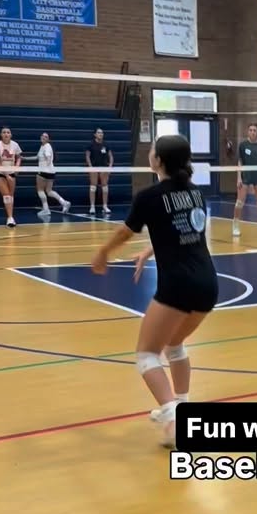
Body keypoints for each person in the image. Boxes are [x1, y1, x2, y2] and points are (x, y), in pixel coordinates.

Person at [91, 134, 219, 445]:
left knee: (147, 355)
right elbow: (189, 231)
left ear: (158, 161)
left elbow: (125, 232)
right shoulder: (195, 192)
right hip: (208, 285)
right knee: (174, 345)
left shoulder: (149, 197)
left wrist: (103, 252)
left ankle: (173, 419)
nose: (149, 153)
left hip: (178, 286)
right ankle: (182, 407)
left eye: (152, 150)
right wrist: (151, 251)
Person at [233, 122, 257, 239]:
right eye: (250, 130)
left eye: (254, 130)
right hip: (246, 176)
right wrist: (239, 178)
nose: (252, 132)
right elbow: (239, 162)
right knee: (239, 202)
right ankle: (235, 225)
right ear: (248, 132)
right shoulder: (243, 145)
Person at [36, 132, 70, 219]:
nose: (43, 137)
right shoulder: (42, 146)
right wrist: (25, 158)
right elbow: (37, 157)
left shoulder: (47, 146)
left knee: (40, 190)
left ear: (48, 139)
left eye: (46, 136)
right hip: (51, 172)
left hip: (44, 171)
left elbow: (48, 159)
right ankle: (64, 203)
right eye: (42, 135)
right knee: (49, 191)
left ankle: (46, 209)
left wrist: (44, 169)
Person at [0, 125, 22, 228]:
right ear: (1, 135)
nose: (6, 134)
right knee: (6, 195)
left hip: (11, 172)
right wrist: (6, 175)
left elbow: (19, 157)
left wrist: (17, 167)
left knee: (10, 195)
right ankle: (10, 218)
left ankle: (10, 216)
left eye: (8, 132)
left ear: (11, 135)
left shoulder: (15, 145)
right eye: (4, 132)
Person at [86, 128, 113, 215]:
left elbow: (111, 156)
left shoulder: (106, 145)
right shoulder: (91, 145)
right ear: (95, 134)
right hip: (94, 168)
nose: (101, 134)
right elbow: (87, 156)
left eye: (102, 133)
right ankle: (92, 206)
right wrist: (90, 167)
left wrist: (110, 167)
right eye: (98, 132)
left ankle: (105, 206)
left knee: (105, 186)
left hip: (104, 168)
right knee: (93, 187)